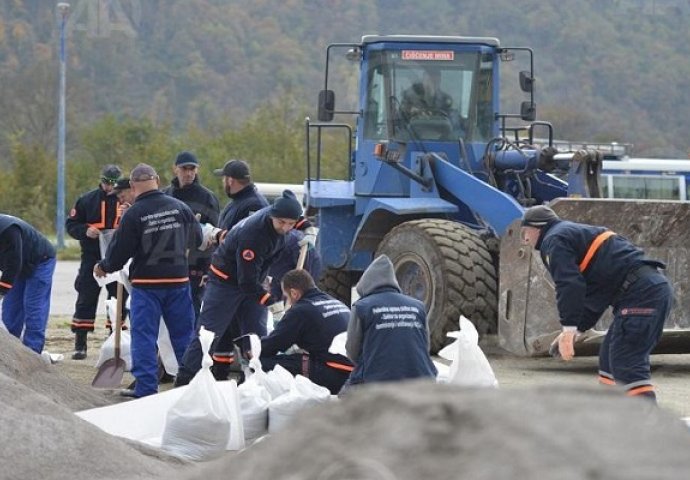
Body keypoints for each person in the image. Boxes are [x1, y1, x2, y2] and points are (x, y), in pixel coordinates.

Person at [520, 205, 674, 402]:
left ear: (536, 228)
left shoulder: (553, 240)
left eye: (525, 233)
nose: (525, 240)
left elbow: (569, 284)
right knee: (609, 358)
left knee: (626, 362)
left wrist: (568, 328)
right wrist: (576, 330)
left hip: (641, 294)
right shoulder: (576, 235)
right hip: (648, 290)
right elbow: (597, 293)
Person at [175, 190, 307, 386]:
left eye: (291, 224)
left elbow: (291, 206)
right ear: (272, 216)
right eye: (282, 222)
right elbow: (246, 281)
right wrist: (269, 301)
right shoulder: (254, 235)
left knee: (256, 334)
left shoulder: (279, 214)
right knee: (208, 333)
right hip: (226, 282)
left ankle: (257, 380)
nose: (286, 228)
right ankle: (185, 380)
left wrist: (307, 227)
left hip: (253, 280)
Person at [94, 163, 203, 398]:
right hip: (178, 282)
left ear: (133, 186)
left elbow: (119, 252)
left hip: (147, 286)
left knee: (144, 337)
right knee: (184, 337)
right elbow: (198, 238)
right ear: (156, 180)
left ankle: (146, 390)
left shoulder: (134, 213)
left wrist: (104, 267)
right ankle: (193, 388)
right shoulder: (181, 208)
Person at [344, 254, 437, 388]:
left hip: (378, 382)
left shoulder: (362, 307)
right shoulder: (417, 306)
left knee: (344, 398)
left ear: (365, 284)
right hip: (423, 380)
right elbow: (425, 345)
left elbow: (352, 351)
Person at [260, 269, 353, 394]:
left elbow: (273, 345)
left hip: (335, 374)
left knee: (263, 363)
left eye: (286, 297)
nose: (288, 301)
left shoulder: (301, 310)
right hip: (355, 373)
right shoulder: (336, 302)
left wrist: (252, 350)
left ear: (294, 293)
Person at [66, 164, 124, 360]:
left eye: (113, 183)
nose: (109, 187)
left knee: (117, 300)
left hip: (117, 258)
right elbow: (71, 225)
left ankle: (114, 340)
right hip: (91, 257)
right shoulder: (86, 200)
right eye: (106, 182)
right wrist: (85, 231)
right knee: (85, 298)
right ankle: (80, 343)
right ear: (101, 180)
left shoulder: (124, 199)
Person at [162, 151, 220, 318]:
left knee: (192, 312)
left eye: (192, 169)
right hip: (167, 265)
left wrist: (207, 269)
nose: (188, 173)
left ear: (197, 170)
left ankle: (193, 344)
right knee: (169, 314)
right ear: (175, 169)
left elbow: (214, 235)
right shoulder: (165, 195)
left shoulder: (207, 197)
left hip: (196, 268)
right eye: (184, 168)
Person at [0, 214, 56, 354]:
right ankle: (9, 352)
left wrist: (1, 290)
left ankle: (33, 352)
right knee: (11, 309)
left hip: (40, 261)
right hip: (18, 265)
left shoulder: (8, 229)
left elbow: (13, 264)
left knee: (33, 306)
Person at [267, 229, 322, 302]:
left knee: (301, 298)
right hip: (280, 270)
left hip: (306, 261)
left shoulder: (292, 243)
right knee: (276, 302)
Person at [215, 159, 269, 232]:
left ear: (230, 181)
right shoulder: (237, 201)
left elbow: (250, 237)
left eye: (224, 179)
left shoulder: (254, 205)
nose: (223, 182)